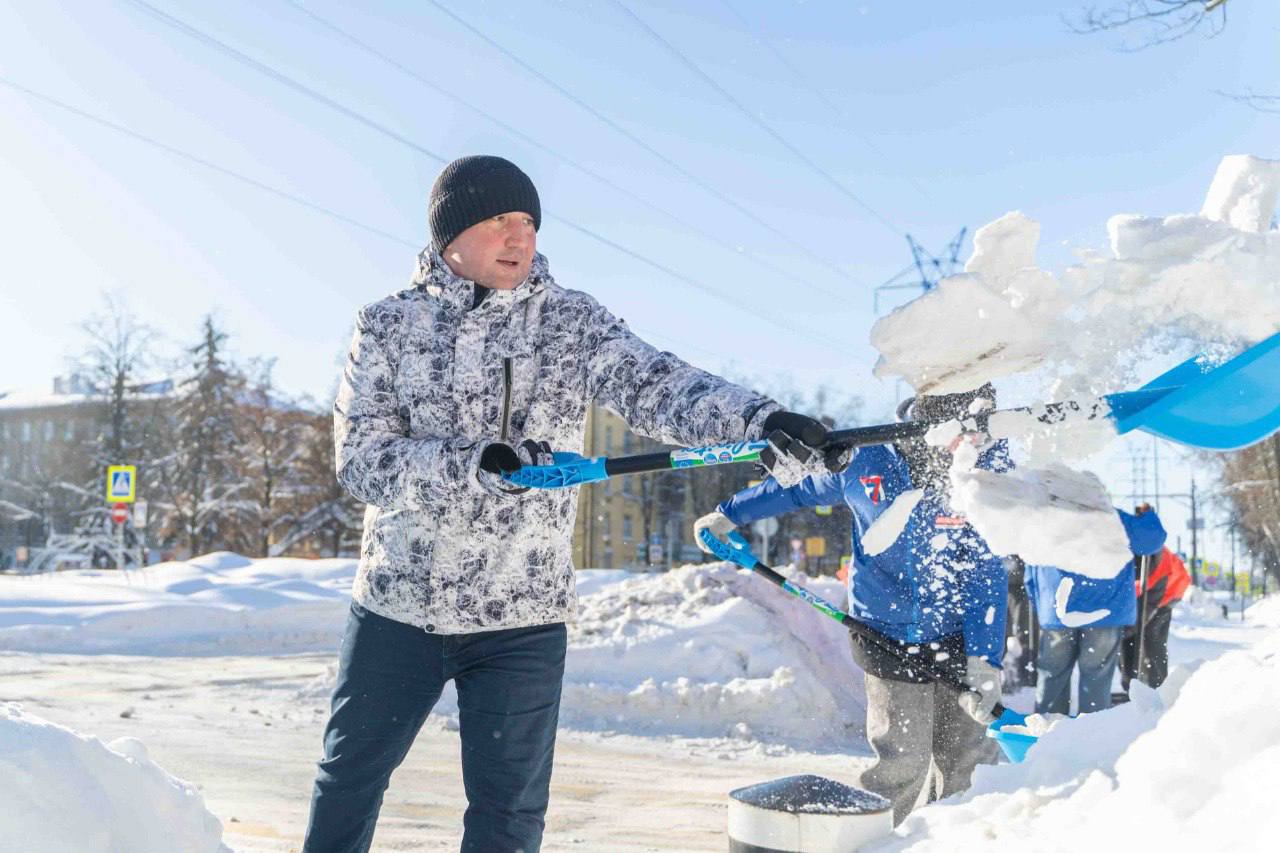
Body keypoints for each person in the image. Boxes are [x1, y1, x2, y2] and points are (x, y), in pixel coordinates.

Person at [304, 155, 831, 853]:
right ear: (452, 232)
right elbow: (362, 459)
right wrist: (473, 468)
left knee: (510, 813)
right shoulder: (387, 326)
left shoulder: (570, 322)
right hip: (400, 607)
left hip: (522, 615)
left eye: (527, 220)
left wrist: (762, 421)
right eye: (499, 219)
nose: (519, 234)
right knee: (350, 780)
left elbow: (659, 383)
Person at [696, 386, 1009, 826]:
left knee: (968, 766)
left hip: (959, 634)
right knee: (901, 763)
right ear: (935, 425)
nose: (974, 445)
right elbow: (797, 489)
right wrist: (730, 513)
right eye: (967, 434)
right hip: (885, 630)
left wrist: (985, 659)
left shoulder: (987, 468)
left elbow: (986, 571)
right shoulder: (865, 456)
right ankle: (875, 842)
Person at [1023, 506, 1166, 715]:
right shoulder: (1110, 516)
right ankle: (1088, 735)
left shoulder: (1046, 516)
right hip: (1104, 610)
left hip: (1058, 610)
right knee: (1096, 677)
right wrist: (1148, 516)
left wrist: (1041, 607)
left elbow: (1029, 561)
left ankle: (1046, 733)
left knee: (1052, 676)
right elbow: (1151, 541)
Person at [1121, 506, 1190, 691]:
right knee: (1128, 639)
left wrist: (1128, 628)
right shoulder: (1131, 549)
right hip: (1147, 593)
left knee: (1152, 639)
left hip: (1168, 596)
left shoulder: (1159, 560)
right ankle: (1131, 685)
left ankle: (1158, 686)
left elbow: (1150, 604)